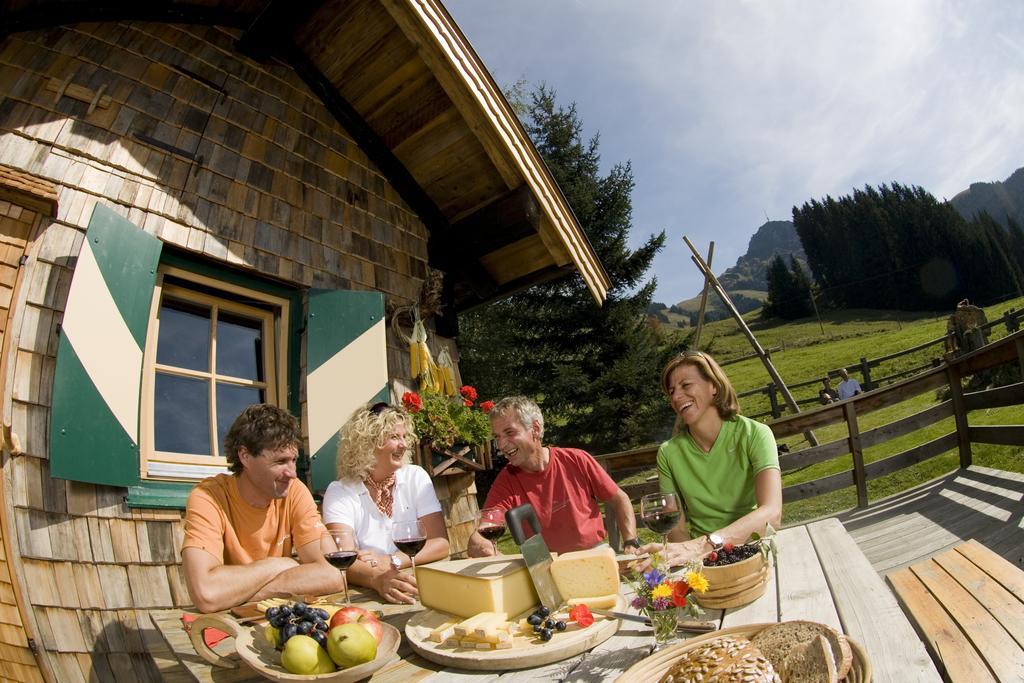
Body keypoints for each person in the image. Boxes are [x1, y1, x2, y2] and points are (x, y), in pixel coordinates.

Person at [181, 404, 343, 613]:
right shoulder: (208, 497)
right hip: (227, 627)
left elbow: (334, 573)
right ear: (245, 456)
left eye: (293, 460)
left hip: (274, 618)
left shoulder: (294, 491)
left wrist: (245, 595)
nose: (292, 473)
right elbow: (206, 594)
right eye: (281, 461)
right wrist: (278, 565)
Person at [641, 351, 782, 568]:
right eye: (671, 391)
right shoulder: (668, 453)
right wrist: (691, 562)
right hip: (702, 562)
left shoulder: (755, 434)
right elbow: (677, 529)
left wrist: (704, 546)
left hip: (752, 549)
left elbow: (772, 513)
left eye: (686, 385)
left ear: (714, 386)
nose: (676, 397)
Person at [466, 396, 639, 556]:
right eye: (497, 437)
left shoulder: (577, 459)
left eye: (509, 433)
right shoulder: (506, 481)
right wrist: (504, 561)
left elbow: (620, 499)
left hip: (595, 555)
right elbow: (478, 539)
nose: (501, 445)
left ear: (535, 429)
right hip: (546, 567)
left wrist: (631, 542)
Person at [321, 402, 449, 604]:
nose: (404, 444)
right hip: (369, 598)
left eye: (404, 436)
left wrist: (391, 560)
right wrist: (377, 578)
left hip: (420, 585)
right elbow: (345, 560)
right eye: (394, 437)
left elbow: (440, 543)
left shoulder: (416, 476)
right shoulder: (340, 491)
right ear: (368, 442)